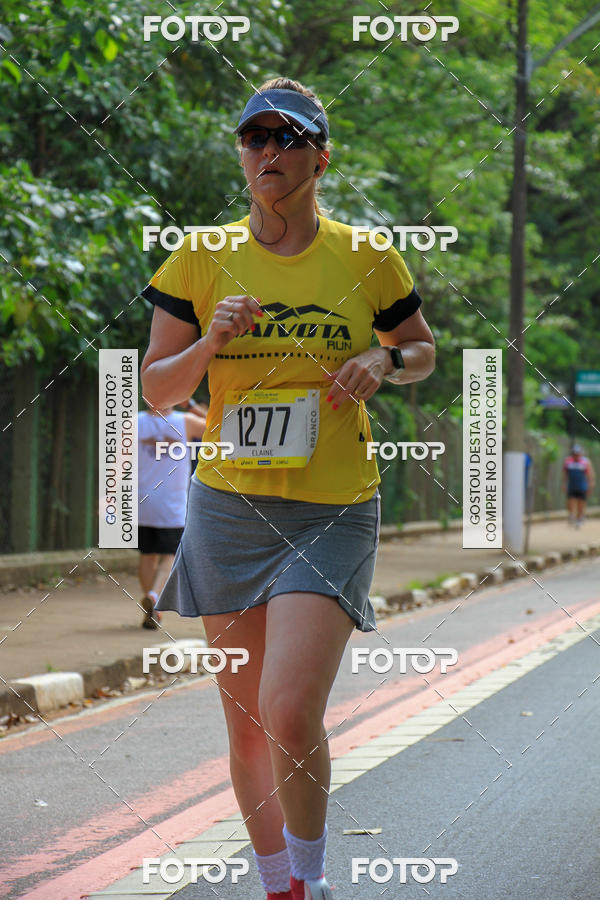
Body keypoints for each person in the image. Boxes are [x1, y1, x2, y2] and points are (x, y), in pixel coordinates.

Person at [140, 77, 435, 899]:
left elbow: (422, 350)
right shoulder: (200, 255)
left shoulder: (368, 255)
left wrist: (383, 359)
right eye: (254, 138)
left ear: (320, 157)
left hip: (332, 507)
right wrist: (212, 343)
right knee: (244, 727)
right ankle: (280, 888)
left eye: (287, 139)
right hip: (228, 508)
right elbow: (158, 391)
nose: (267, 152)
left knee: (289, 707)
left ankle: (313, 881)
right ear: (240, 153)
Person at [137, 400, 206, 627]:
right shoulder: (185, 421)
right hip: (172, 503)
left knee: (147, 555)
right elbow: (216, 426)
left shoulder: (134, 422)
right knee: (170, 555)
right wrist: (192, 405)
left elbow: (118, 463)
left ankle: (151, 606)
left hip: (142, 500)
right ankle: (154, 598)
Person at [562, 443, 595, 528]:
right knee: (570, 503)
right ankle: (571, 515)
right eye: (574, 453)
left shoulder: (585, 462)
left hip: (582, 486)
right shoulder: (568, 461)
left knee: (581, 504)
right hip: (572, 486)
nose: (576, 455)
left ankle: (579, 518)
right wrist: (564, 483)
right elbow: (565, 474)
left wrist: (590, 485)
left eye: (577, 453)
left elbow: (590, 475)